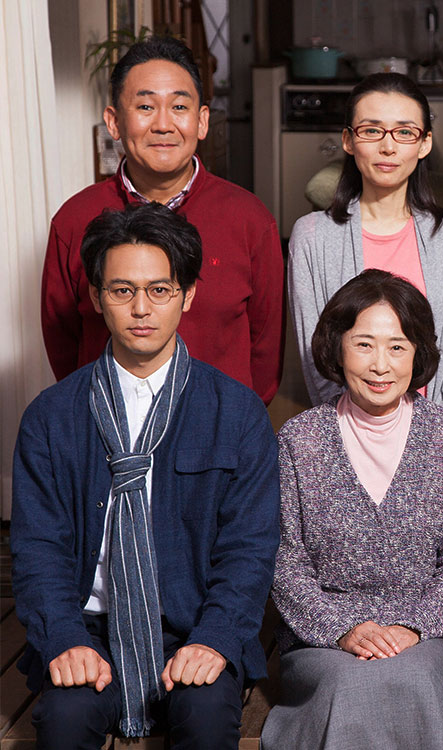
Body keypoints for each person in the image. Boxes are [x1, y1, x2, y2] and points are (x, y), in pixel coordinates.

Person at [11, 203, 280, 749]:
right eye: (121, 290)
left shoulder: (238, 412)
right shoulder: (51, 416)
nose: (141, 308)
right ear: (95, 297)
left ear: (188, 295)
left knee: (206, 721)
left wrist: (215, 639)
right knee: (63, 724)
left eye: (160, 290)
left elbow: (249, 551)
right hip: (88, 630)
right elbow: (39, 548)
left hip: (193, 625)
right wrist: (63, 639)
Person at [262, 269, 443, 750]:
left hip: (424, 636)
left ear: (418, 353)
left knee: (417, 682)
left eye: (397, 346)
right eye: (364, 344)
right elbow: (284, 561)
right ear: (337, 348)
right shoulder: (300, 440)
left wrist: (412, 628)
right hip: (324, 638)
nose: (381, 365)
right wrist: (341, 630)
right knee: (350, 684)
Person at [42, 36, 284, 404]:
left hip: (218, 433)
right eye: (145, 106)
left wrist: (236, 424)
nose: (163, 125)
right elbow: (64, 343)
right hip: (108, 432)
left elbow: (266, 350)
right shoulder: (74, 220)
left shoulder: (249, 219)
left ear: (202, 120)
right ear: (114, 121)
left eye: (179, 107)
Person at [287, 73, 443, 436]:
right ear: (348, 140)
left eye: (405, 132)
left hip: (440, 442)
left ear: (424, 143)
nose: (388, 147)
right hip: (345, 438)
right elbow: (318, 361)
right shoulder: (313, 236)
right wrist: (357, 440)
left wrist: (428, 447)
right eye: (372, 131)